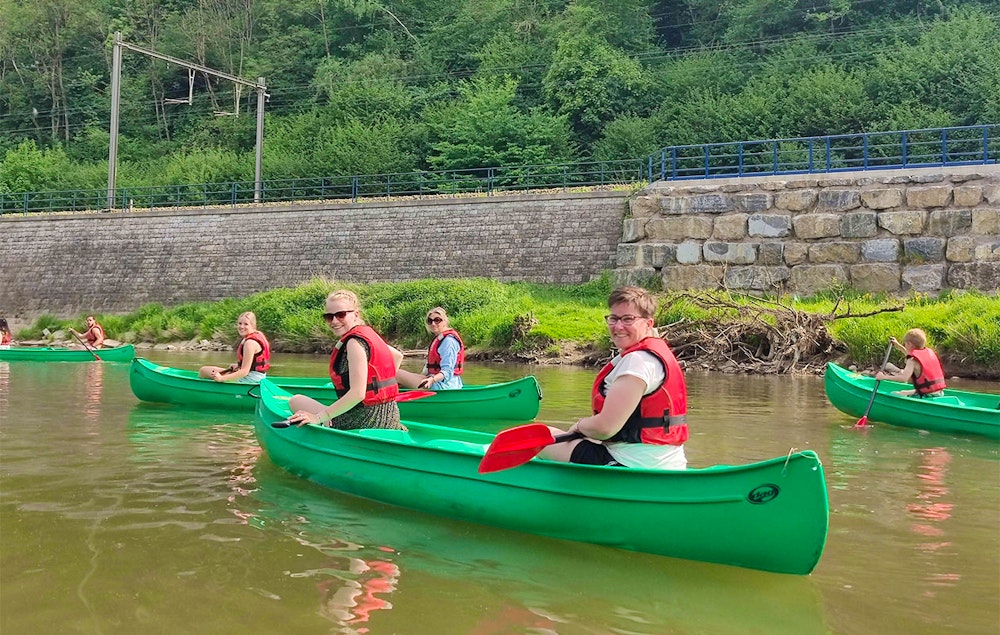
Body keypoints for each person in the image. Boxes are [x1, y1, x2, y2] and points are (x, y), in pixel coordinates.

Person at [538, 286, 688, 470]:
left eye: (628, 319)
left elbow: (605, 428)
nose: (618, 326)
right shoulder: (651, 354)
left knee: (541, 436)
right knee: (583, 438)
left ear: (648, 324)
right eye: (614, 318)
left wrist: (579, 426)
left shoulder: (638, 361)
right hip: (669, 464)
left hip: (630, 466)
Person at [287, 290, 405, 430]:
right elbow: (398, 356)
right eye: (329, 317)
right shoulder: (367, 334)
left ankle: (326, 423)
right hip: (390, 417)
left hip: (363, 421)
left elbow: (358, 394)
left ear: (356, 314)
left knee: (296, 400)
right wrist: (381, 391)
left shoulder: (354, 343)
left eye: (341, 314)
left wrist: (318, 417)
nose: (334, 321)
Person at [398, 307, 465, 390]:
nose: (433, 323)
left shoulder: (449, 341)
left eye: (437, 320)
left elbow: (447, 371)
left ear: (445, 321)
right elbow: (428, 368)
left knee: (396, 373)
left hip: (445, 386)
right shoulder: (439, 339)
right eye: (430, 321)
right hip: (434, 380)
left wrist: (432, 380)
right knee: (397, 379)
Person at [198, 312, 271, 383]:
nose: (241, 327)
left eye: (246, 324)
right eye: (240, 323)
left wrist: (222, 378)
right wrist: (238, 365)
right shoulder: (254, 336)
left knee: (203, 371)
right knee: (204, 371)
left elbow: (244, 371)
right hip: (257, 376)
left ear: (253, 325)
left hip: (251, 378)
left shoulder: (250, 343)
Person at [875, 328, 947, 397]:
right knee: (904, 392)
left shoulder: (912, 360)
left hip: (928, 395)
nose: (905, 345)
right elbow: (909, 353)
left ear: (909, 344)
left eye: (905, 344)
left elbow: (903, 378)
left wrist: (883, 377)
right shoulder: (928, 353)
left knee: (895, 394)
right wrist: (897, 345)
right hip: (939, 392)